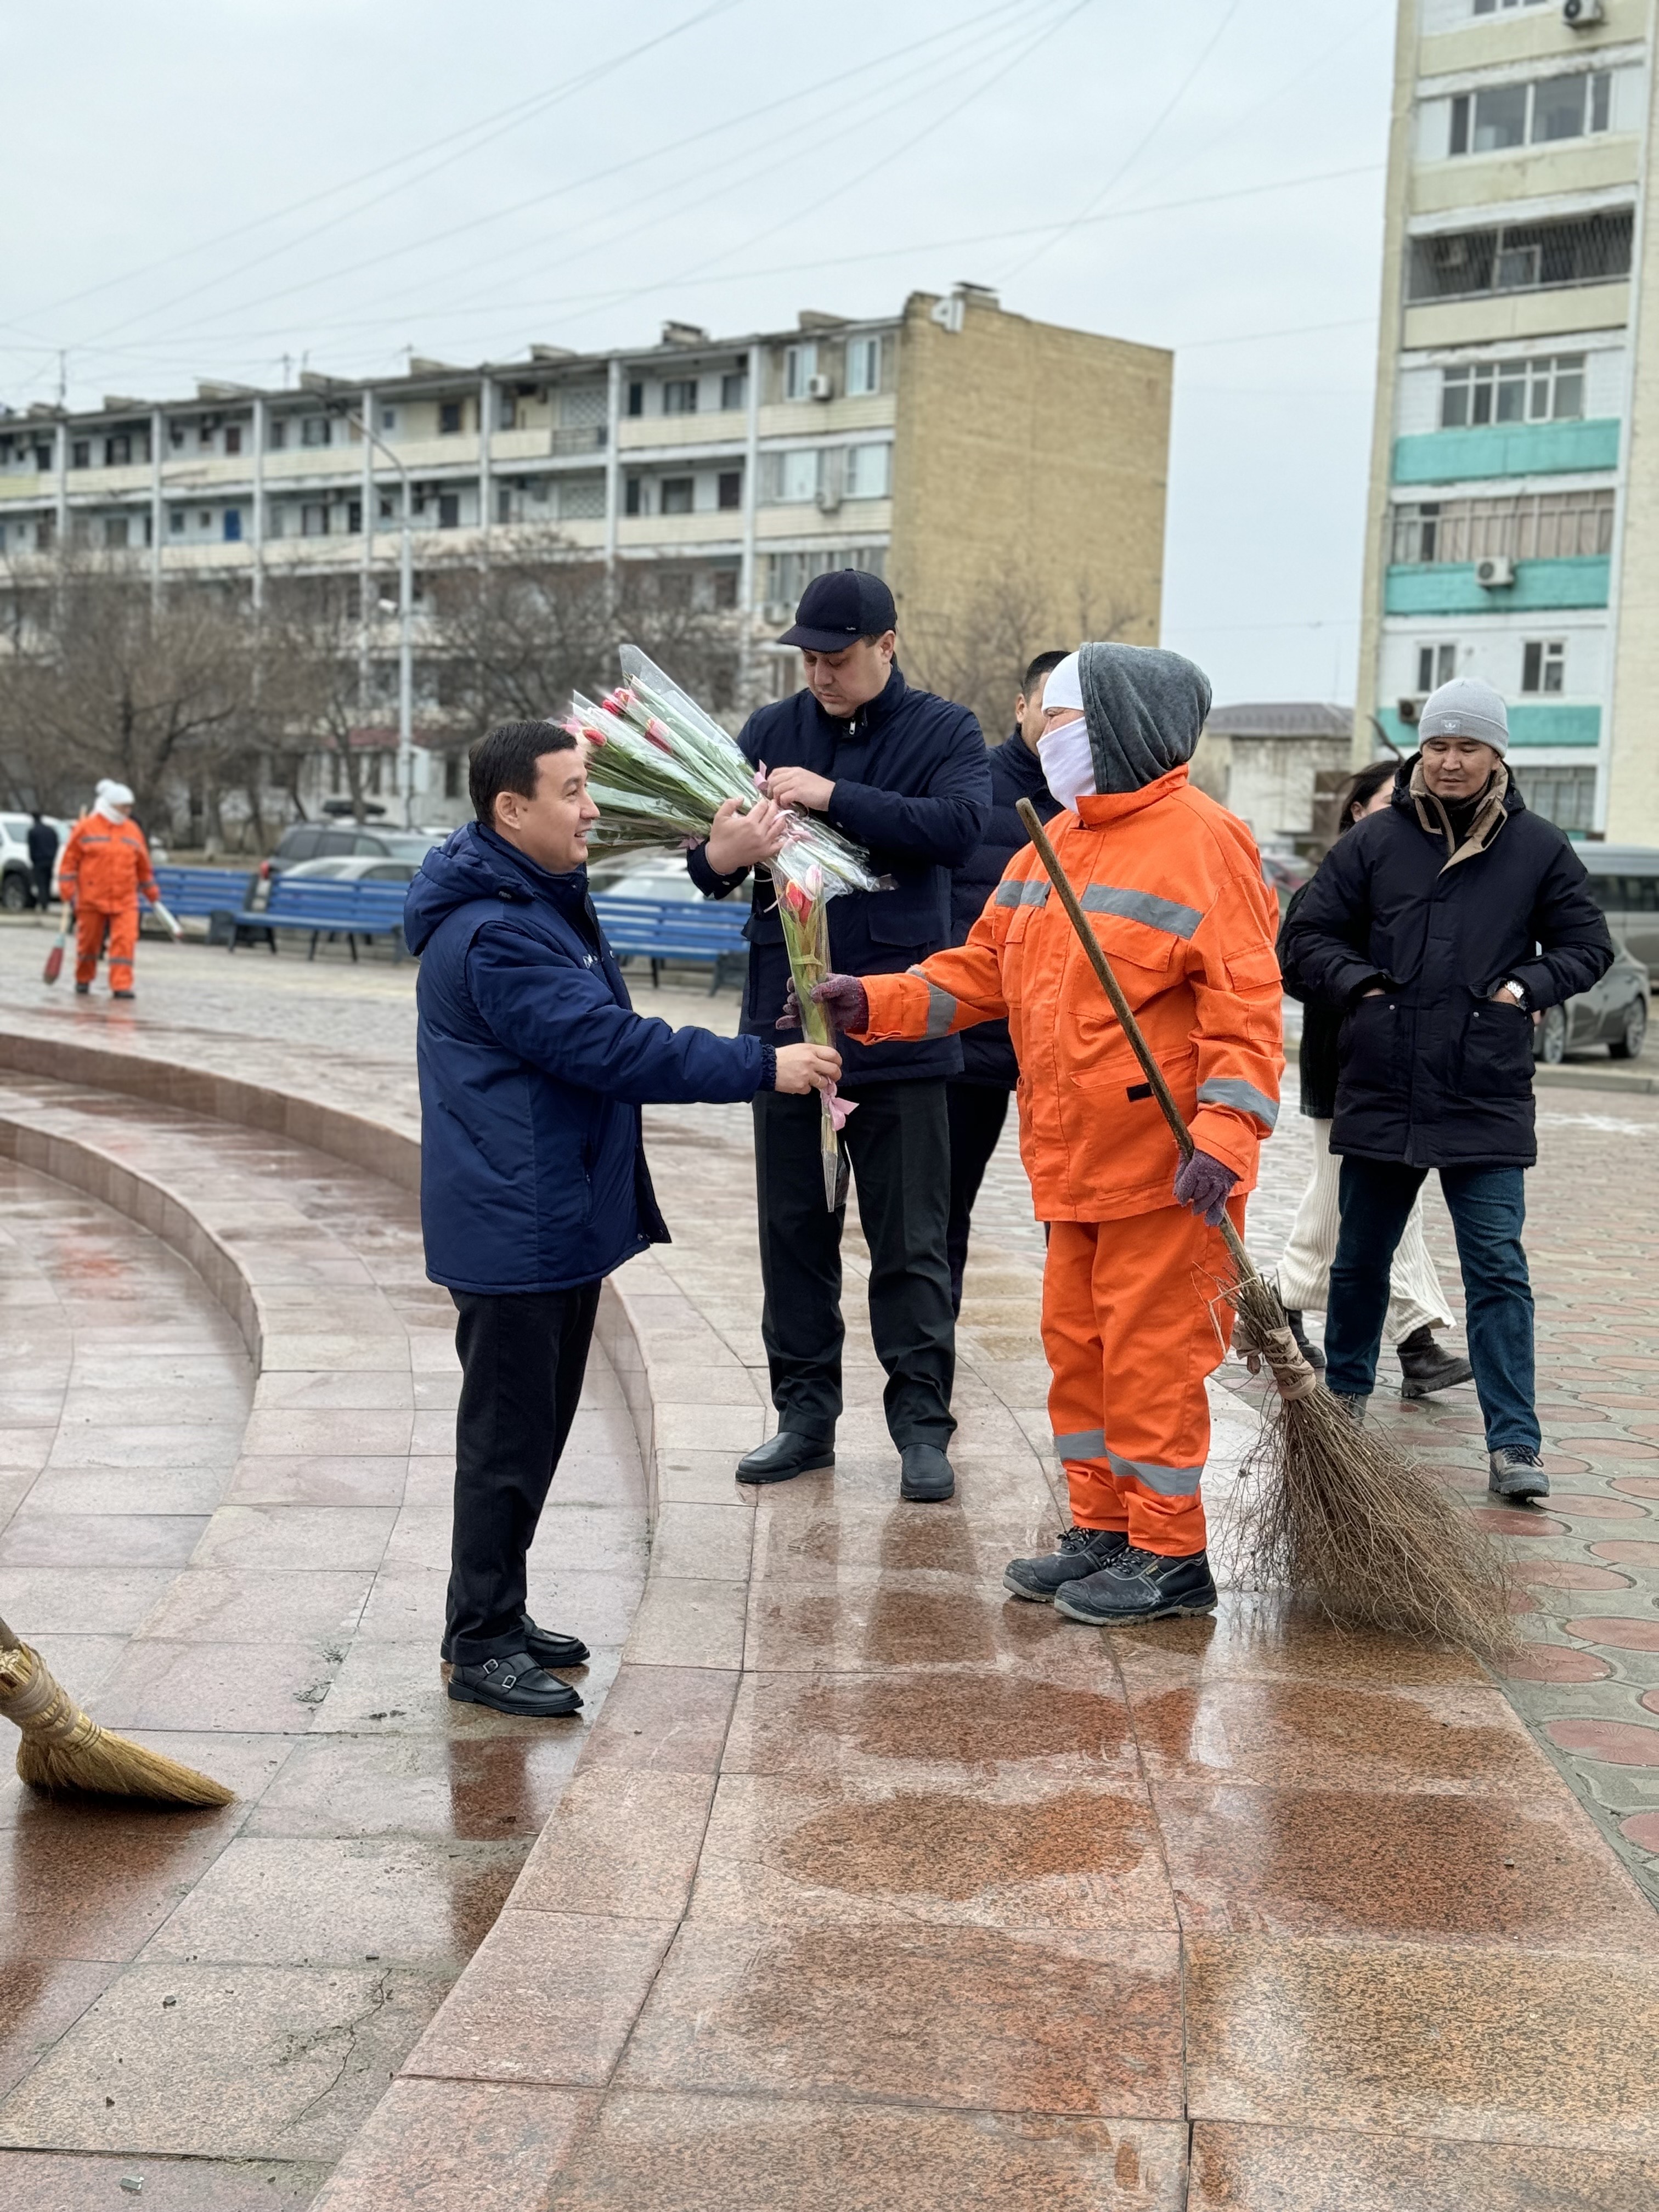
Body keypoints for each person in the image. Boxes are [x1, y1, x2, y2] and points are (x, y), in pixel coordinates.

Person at [797, 642, 1283, 1624]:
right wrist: (877, 1002)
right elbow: (979, 972)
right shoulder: (1049, 843)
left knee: (1149, 1360)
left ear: (1118, 728)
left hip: (1165, 1169)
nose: (1043, 732)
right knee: (1080, 1349)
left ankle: (1169, 1554)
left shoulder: (1203, 841)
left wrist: (1223, 1140)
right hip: (1072, 1164)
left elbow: (1244, 1010)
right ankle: (1103, 1528)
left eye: (1062, 717)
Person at [405, 721, 841, 1718]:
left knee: (534, 1432)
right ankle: (479, 1641)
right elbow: (610, 1046)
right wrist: (758, 1066)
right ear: (510, 810)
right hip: (515, 1222)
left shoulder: (532, 898)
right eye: (570, 791)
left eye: (588, 785)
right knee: (508, 1441)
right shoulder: (498, 932)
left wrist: (720, 857)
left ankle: (494, 1610)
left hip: (544, 1209)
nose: (591, 808)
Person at [687, 568, 991, 1503]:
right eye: (810, 658)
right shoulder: (766, 732)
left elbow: (955, 829)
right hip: (785, 1031)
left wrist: (830, 792)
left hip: (900, 1031)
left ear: (886, 645)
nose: (820, 674)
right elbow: (705, 860)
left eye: (838, 656)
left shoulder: (944, 730)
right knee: (793, 1234)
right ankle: (804, 1417)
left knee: (911, 1242)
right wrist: (718, 854)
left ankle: (919, 1428)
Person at [1281, 676, 1613, 1502]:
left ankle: (1515, 1446)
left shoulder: (1538, 847)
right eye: (1436, 746)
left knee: (1497, 1266)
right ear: (1418, 753)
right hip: (1385, 1082)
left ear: (1497, 754)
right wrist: (1360, 988)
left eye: (1467, 746)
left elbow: (1587, 945)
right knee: (1358, 1262)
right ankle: (1345, 1412)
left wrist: (1522, 991)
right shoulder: (1374, 843)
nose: (1450, 761)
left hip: (1484, 1089)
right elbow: (1303, 938)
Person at [1276, 758, 1474, 1400]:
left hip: (1401, 1074)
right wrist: (1369, 991)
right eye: (1391, 803)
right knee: (1346, 1201)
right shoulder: (1333, 886)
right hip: (1347, 1067)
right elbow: (1299, 963)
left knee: (1369, 1206)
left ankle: (1401, 1337)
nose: (1404, 815)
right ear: (1356, 812)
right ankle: (1404, 1338)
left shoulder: (1413, 878)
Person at [943, 648, 1067, 1315]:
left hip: (1066, 1050)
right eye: (1051, 708)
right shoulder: (973, 787)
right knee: (944, 1206)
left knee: (1073, 1213)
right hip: (977, 1042)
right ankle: (936, 1349)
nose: (1062, 725)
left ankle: (1081, 1351)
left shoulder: (1097, 802)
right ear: (1022, 708)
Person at [58, 780, 161, 1000]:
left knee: (125, 942)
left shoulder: (132, 831)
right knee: (89, 943)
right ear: (111, 806)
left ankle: (121, 984)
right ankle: (83, 979)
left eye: (129, 807)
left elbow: (143, 866)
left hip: (125, 899)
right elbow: (69, 861)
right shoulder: (86, 828)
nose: (128, 811)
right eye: (124, 807)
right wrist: (67, 890)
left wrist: (151, 892)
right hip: (91, 898)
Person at [27, 811, 58, 913]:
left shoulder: (33, 831)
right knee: (48, 881)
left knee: (41, 883)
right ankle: (47, 902)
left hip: (39, 861)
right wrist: (53, 857)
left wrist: (33, 859)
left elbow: (31, 848)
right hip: (49, 860)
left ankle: (43, 903)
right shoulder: (50, 830)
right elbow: (56, 844)